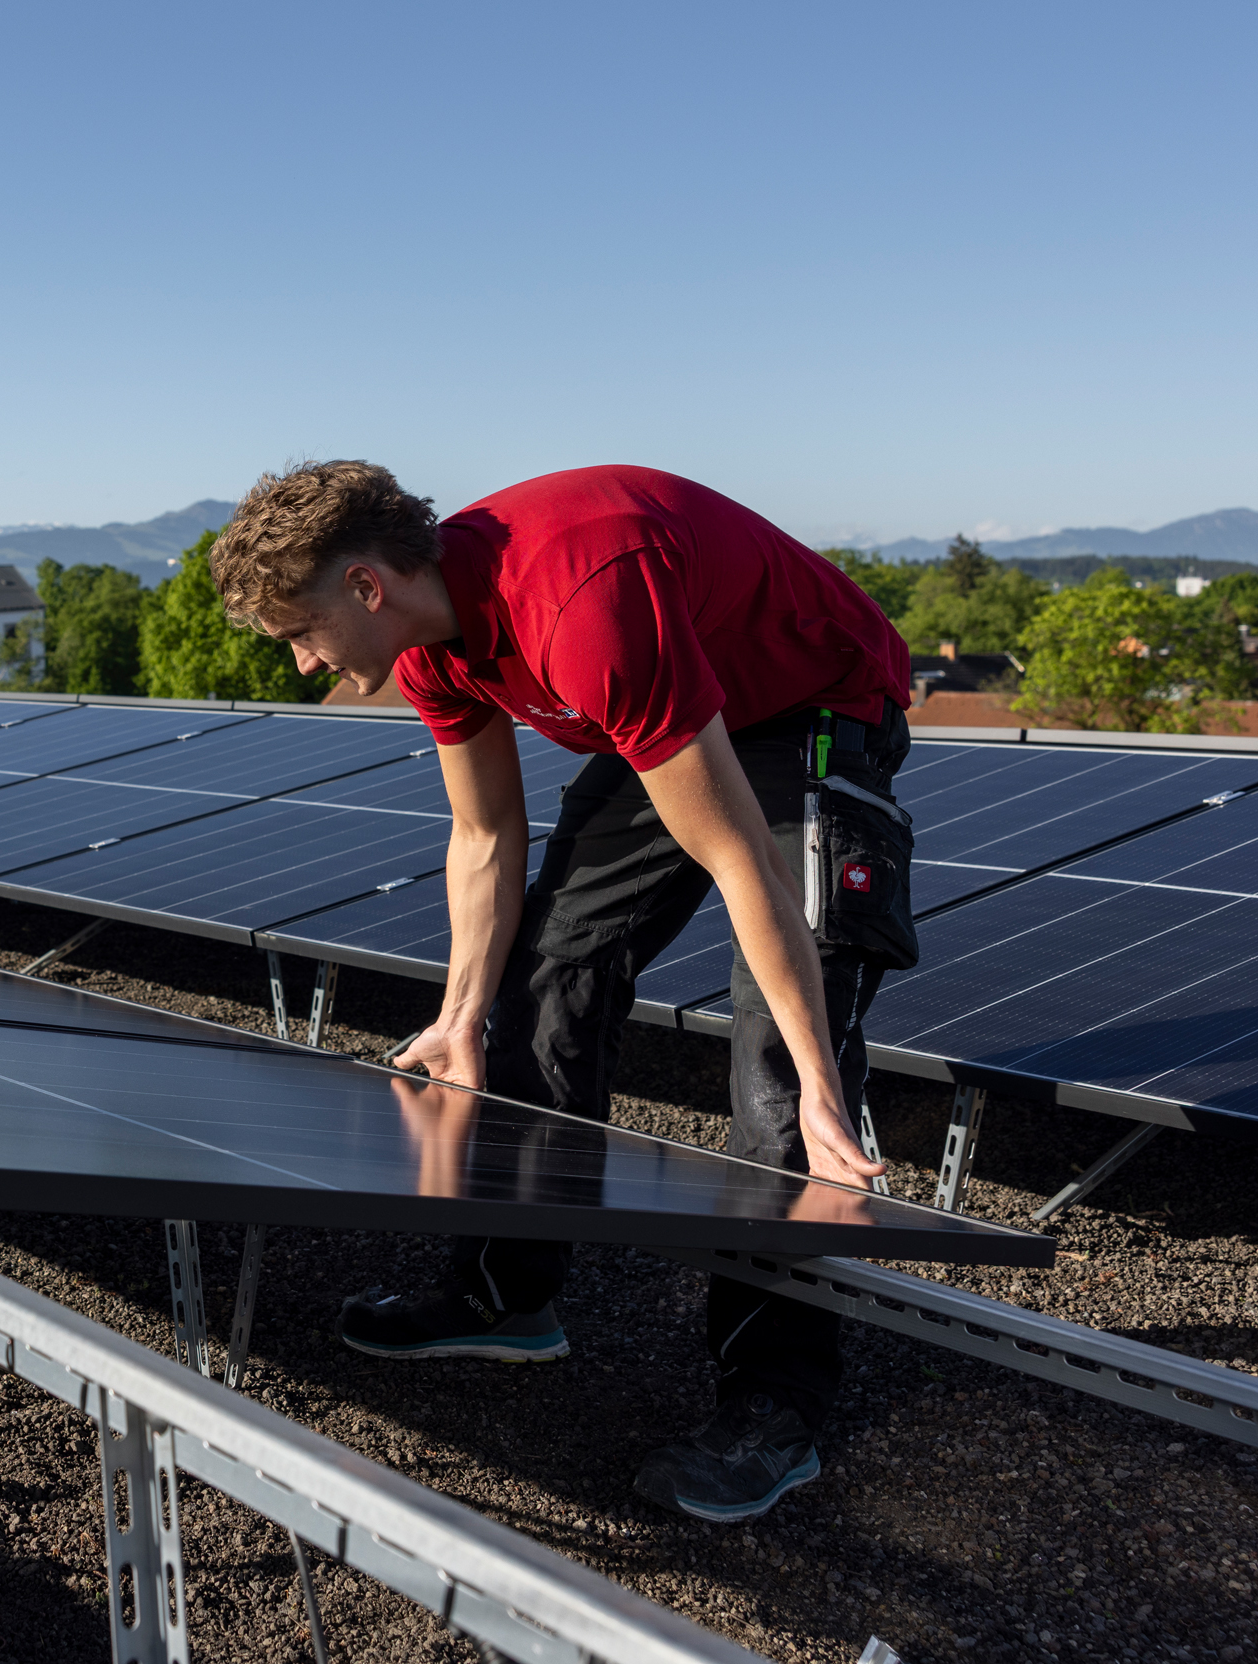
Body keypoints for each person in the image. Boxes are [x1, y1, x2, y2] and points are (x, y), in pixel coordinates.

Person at [211, 460, 916, 1523]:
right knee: (543, 978)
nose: (303, 659)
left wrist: (818, 1074)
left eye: (299, 632)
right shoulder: (432, 646)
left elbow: (739, 863)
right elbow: (485, 831)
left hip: (807, 705)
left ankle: (775, 1405)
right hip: (670, 716)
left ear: (365, 585)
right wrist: (455, 1018)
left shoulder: (581, 604)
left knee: (775, 1066)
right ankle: (506, 1293)